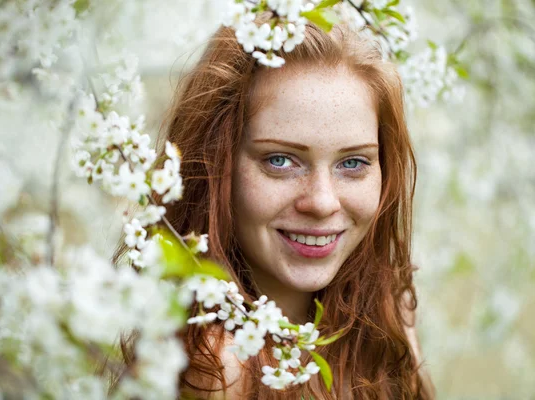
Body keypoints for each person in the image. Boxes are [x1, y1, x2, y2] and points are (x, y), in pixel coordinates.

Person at [116, 20, 435, 400]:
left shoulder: (383, 314)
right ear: (215, 167)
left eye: (352, 163)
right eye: (280, 160)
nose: (322, 201)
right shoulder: (219, 368)